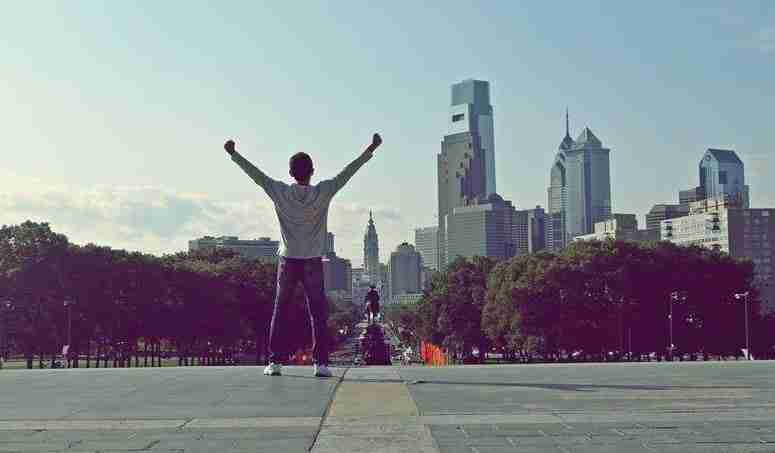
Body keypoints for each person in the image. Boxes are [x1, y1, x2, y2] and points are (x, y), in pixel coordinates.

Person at [224, 133, 383, 377]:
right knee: (317, 313)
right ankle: (321, 364)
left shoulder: (279, 191)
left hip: (288, 260)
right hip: (312, 261)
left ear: (290, 173)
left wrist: (234, 154)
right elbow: (348, 172)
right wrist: (370, 149)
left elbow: (256, 175)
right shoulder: (324, 191)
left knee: (280, 310)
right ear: (313, 171)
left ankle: (274, 362)